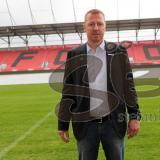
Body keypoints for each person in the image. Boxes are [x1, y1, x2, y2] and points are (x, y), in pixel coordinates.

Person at [57, 9, 141, 160]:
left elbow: (129, 87)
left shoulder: (119, 52)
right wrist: (62, 124)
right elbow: (68, 92)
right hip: (85, 126)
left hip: (113, 123)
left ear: (105, 27)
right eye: (91, 24)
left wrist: (134, 116)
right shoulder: (74, 55)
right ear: (85, 27)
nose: (96, 28)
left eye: (99, 24)